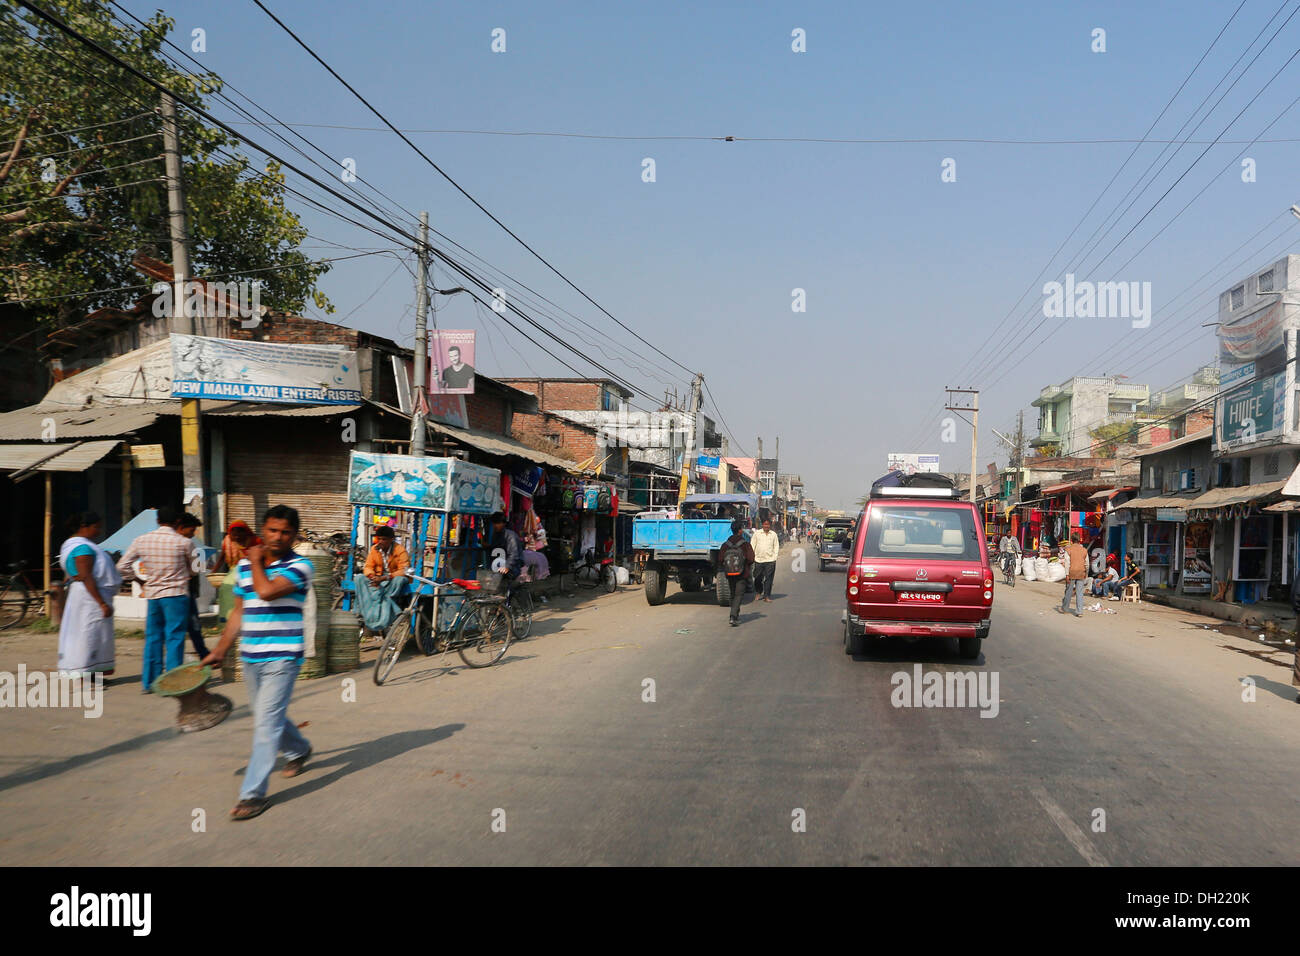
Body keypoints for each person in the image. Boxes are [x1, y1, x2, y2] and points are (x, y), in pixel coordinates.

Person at [202, 505, 314, 822]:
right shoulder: (243, 568)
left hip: (283, 657)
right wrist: (221, 649)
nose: (278, 537)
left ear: (294, 535)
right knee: (269, 717)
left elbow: (265, 592)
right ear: (263, 530)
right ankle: (298, 750)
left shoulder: (301, 567)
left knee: (265, 724)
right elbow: (239, 611)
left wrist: (253, 561)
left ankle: (252, 795)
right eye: (273, 530)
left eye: (286, 532)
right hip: (251, 656)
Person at [117, 506, 194, 693]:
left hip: (153, 595)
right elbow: (194, 569)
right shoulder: (183, 542)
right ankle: (172, 683)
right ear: (177, 522)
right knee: (175, 638)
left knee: (153, 638)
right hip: (176, 594)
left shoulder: (142, 540)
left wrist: (138, 580)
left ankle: (149, 682)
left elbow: (122, 566)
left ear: (158, 520)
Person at [57, 512, 121, 678]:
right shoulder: (83, 548)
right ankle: (86, 674)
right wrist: (101, 603)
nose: (99, 531)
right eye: (96, 527)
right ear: (84, 527)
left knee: (95, 635)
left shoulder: (75, 545)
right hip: (89, 597)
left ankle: (93, 673)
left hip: (86, 594)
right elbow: (86, 576)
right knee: (88, 634)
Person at [175, 512, 210, 660]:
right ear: (182, 528)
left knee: (193, 626)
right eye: (192, 530)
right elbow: (195, 570)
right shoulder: (181, 544)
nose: (193, 534)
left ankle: (203, 654)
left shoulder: (188, 543)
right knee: (190, 626)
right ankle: (202, 654)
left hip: (188, 591)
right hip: (181, 592)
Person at [720, 518, 755, 626]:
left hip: (729, 573)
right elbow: (751, 559)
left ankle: (734, 614)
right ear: (740, 530)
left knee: (732, 593)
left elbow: (720, 559)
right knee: (739, 595)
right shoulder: (745, 544)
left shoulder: (725, 544)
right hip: (742, 573)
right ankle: (733, 616)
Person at [488, 512, 524, 595]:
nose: (495, 526)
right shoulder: (496, 535)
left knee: (499, 587)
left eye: (498, 523)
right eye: (494, 523)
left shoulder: (511, 536)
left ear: (503, 523)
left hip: (512, 568)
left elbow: (514, 554)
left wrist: (507, 566)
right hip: (499, 567)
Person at [1056, 532, 1088, 618]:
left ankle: (1065, 608)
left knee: (1069, 591)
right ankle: (1079, 611)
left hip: (1071, 572)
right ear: (1079, 540)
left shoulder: (1068, 550)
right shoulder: (1084, 550)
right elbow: (1087, 564)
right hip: (1081, 572)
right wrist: (1086, 573)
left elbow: (1067, 563)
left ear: (1072, 540)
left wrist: (1067, 574)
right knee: (1079, 592)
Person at [750, 517, 780, 603]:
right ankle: (759, 592)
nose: (766, 526)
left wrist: (774, 557)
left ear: (770, 525)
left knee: (769, 579)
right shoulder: (757, 534)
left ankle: (767, 596)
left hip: (770, 560)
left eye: (768, 524)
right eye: (765, 524)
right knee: (757, 578)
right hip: (758, 560)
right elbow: (752, 545)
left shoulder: (773, 534)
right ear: (762, 525)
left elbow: (776, 546)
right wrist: (753, 556)